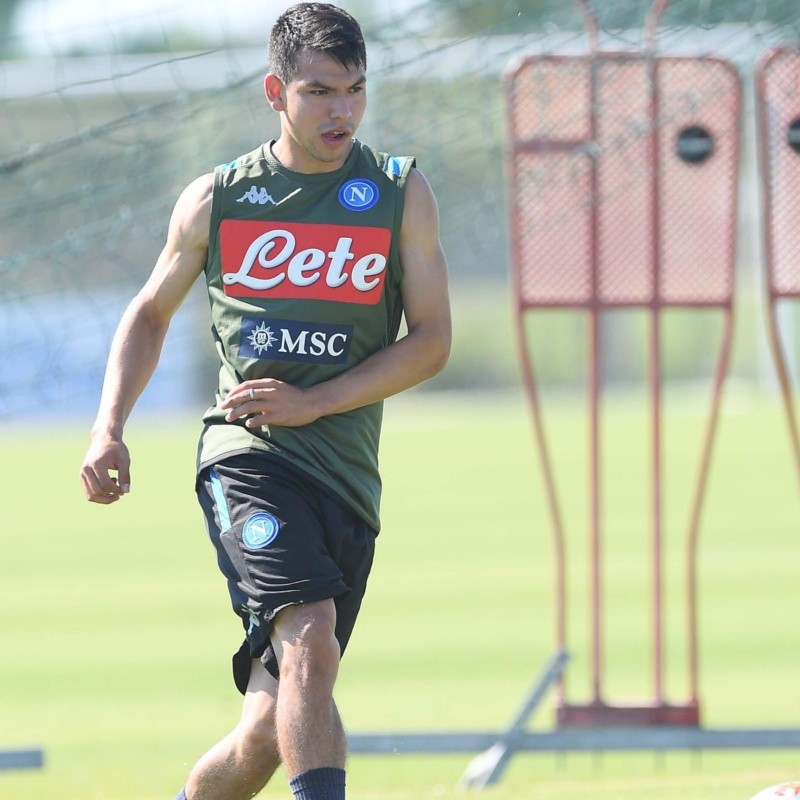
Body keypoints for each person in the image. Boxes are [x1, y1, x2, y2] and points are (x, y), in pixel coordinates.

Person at [79, 3, 451, 799]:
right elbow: (148, 313)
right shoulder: (219, 199)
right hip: (246, 460)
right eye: (320, 91)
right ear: (274, 92)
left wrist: (322, 402)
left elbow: (431, 342)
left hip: (346, 479)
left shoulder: (398, 193)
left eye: (355, 90)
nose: (341, 110)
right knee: (311, 639)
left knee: (266, 730)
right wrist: (108, 427)